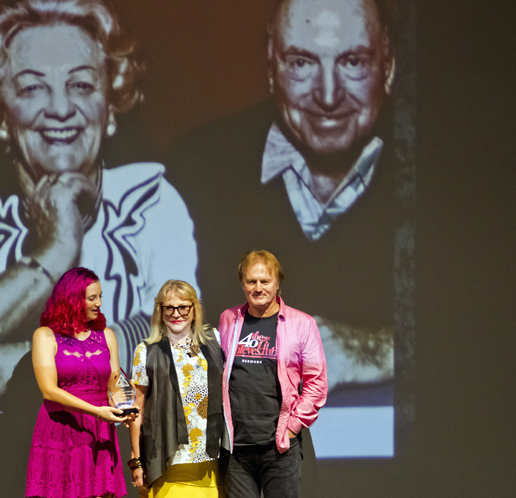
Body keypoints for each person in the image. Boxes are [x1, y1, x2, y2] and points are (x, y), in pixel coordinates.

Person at [0, 0, 199, 406]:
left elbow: (177, 352)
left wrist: (5, 365)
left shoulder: (152, 204)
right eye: (31, 88)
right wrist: (57, 248)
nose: (61, 109)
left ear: (110, 104)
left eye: (81, 85)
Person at [166, 0, 400, 402]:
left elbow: (492, 329)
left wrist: (372, 350)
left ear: (389, 68)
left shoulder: (444, 168)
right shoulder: (195, 169)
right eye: (302, 63)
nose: (328, 95)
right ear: (272, 69)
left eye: (353, 62)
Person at [218, 250, 327, 498]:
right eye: (251, 281)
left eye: (265, 281)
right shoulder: (228, 319)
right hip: (237, 448)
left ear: (277, 283)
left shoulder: (302, 323)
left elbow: (316, 383)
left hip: (279, 446)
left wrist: (293, 427)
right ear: (242, 284)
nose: (258, 288)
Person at [25, 267, 134, 498]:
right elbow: (49, 391)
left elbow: (114, 385)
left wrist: (125, 407)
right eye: (92, 298)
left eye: (100, 297)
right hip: (61, 427)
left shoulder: (108, 335)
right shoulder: (45, 336)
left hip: (98, 430)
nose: (99, 303)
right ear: (72, 300)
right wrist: (96, 411)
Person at [128, 280, 225, 497]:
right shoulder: (146, 351)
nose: (176, 313)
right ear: (160, 311)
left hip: (211, 459)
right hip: (168, 460)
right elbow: (137, 410)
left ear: (194, 309)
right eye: (169, 308)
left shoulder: (215, 342)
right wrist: (136, 460)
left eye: (183, 307)